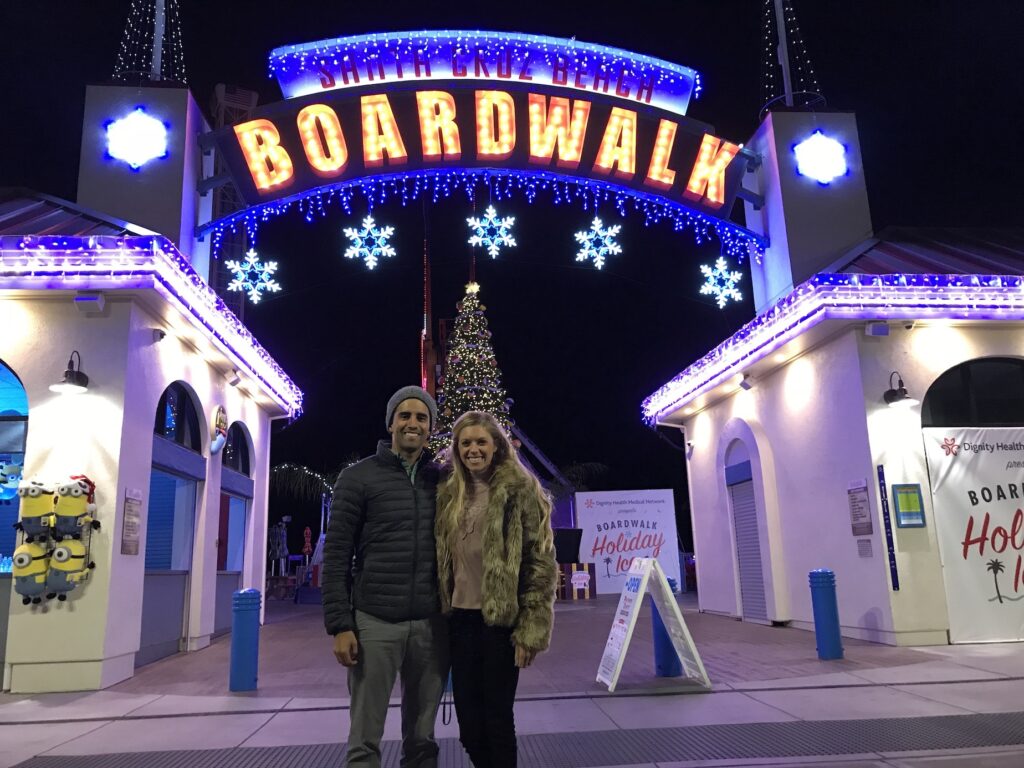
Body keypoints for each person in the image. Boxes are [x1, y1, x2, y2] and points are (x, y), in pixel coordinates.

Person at [322, 386, 448, 768]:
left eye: (421, 417)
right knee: (364, 740)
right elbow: (337, 556)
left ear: (430, 428)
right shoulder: (357, 477)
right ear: (391, 423)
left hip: (431, 625)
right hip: (375, 623)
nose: (413, 423)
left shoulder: (442, 481)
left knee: (423, 740)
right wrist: (340, 625)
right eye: (405, 416)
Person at [435, 411, 558, 768]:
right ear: (457, 449)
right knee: (469, 727)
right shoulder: (449, 493)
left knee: (498, 721)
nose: (473, 449)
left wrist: (531, 630)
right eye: (465, 443)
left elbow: (540, 563)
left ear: (497, 447)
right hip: (459, 622)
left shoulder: (519, 491)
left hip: (500, 625)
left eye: (481, 442)